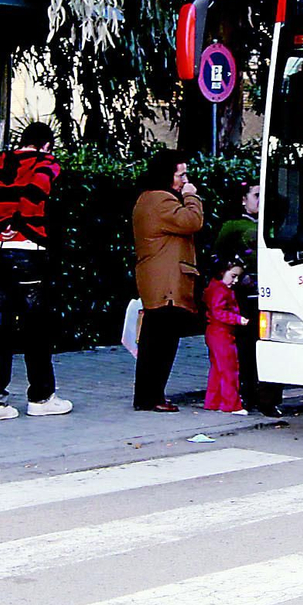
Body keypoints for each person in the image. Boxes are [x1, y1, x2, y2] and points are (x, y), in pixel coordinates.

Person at [0, 122, 72, 421]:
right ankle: (41, 396)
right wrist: (17, 226)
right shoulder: (45, 163)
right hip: (27, 251)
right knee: (36, 327)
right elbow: (37, 192)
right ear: (46, 145)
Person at [131, 150, 205, 411]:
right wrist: (191, 196)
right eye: (181, 174)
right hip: (166, 285)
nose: (185, 180)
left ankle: (149, 396)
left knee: (155, 341)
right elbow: (192, 221)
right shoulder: (161, 200)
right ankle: (152, 398)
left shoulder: (148, 199)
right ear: (167, 175)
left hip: (159, 281)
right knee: (161, 344)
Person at [214, 182, 282, 416]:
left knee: (272, 343)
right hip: (244, 296)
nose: (260, 201)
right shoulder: (233, 226)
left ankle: (270, 398)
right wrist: (234, 275)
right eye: (255, 196)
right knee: (246, 346)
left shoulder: (273, 225)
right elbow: (218, 257)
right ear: (243, 199)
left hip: (273, 292)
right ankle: (248, 394)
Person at [201, 258, 248, 414]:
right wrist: (238, 319)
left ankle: (213, 402)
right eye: (233, 276)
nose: (235, 280)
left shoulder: (214, 287)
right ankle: (231, 404)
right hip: (222, 333)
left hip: (214, 332)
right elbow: (219, 312)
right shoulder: (221, 290)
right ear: (223, 272)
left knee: (217, 369)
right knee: (229, 369)